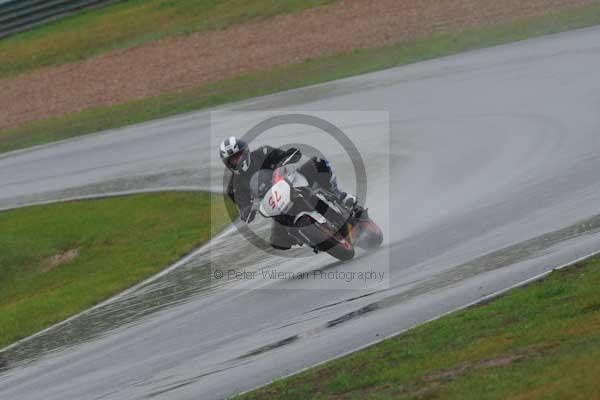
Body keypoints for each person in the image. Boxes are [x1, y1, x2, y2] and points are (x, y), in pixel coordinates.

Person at [220, 136, 357, 250]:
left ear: (245, 152)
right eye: (233, 159)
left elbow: (284, 155)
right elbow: (242, 204)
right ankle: (307, 236)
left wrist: (289, 156)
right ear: (228, 163)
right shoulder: (233, 187)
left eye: (238, 156)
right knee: (278, 242)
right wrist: (246, 211)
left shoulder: (262, 152)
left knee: (318, 163)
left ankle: (339, 195)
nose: (237, 160)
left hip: (288, 182)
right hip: (274, 204)